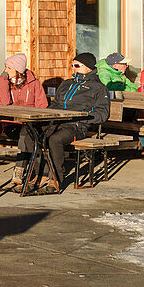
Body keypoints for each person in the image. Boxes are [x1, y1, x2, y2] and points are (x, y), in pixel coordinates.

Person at [16, 52, 108, 194]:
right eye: (72, 65)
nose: (73, 68)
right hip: (56, 121)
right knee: (29, 132)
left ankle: (55, 178)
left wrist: (82, 117)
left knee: (55, 139)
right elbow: (56, 104)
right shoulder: (67, 84)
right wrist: (47, 115)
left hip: (76, 125)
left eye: (77, 65)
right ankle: (40, 173)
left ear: (89, 68)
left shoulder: (98, 88)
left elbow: (102, 113)